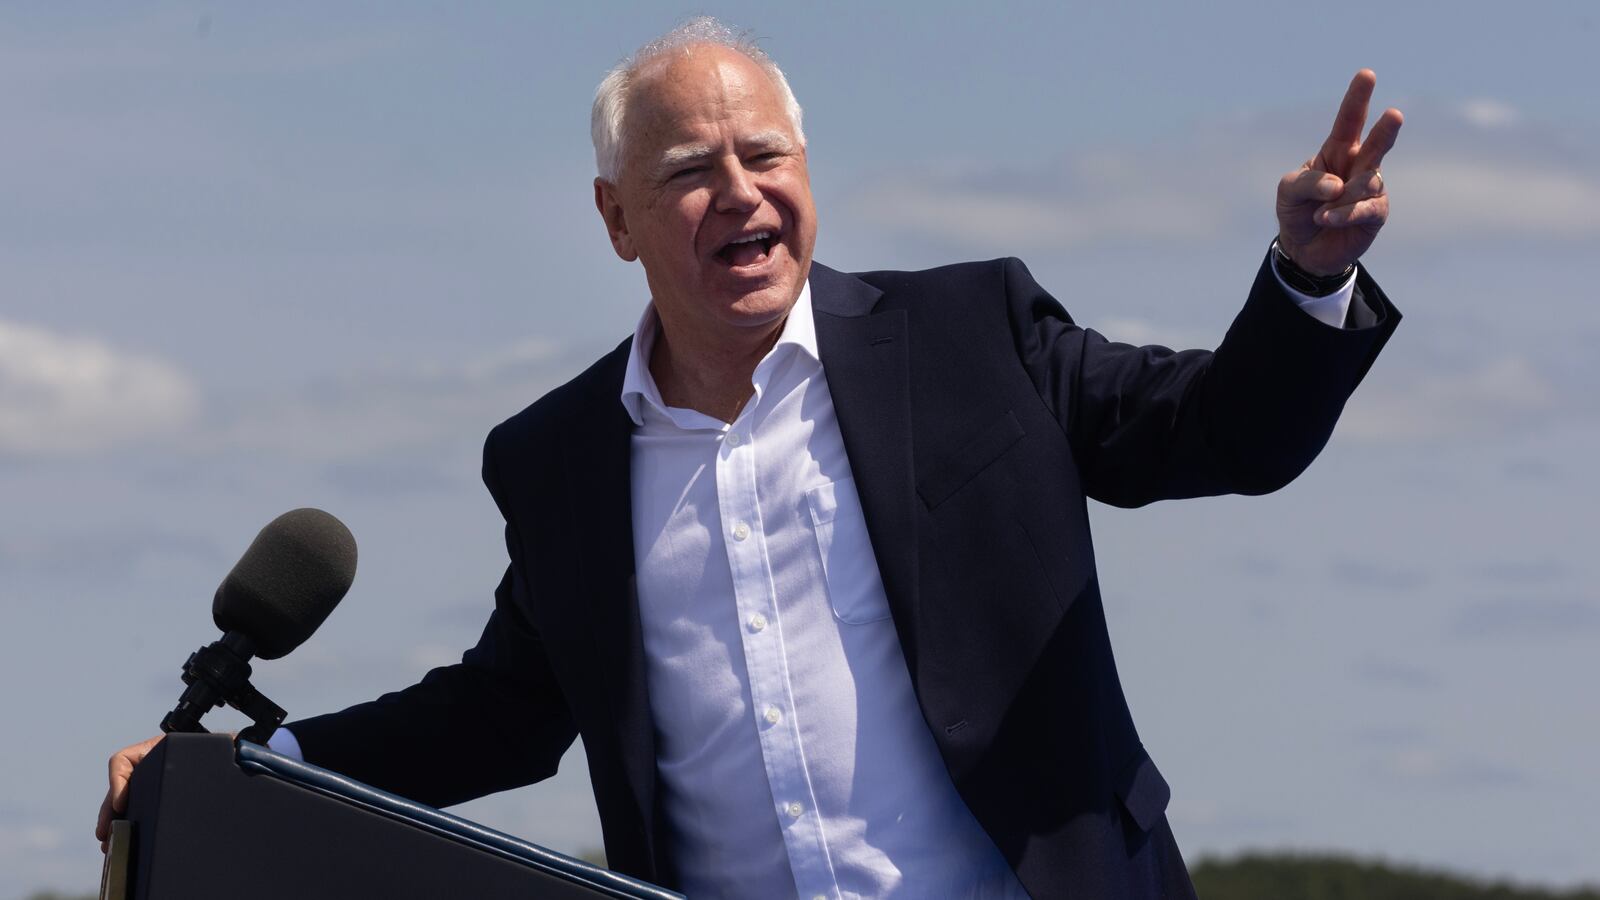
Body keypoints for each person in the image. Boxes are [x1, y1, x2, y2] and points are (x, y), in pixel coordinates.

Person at [98, 17, 1403, 899]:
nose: (740, 190)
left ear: (807, 174)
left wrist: (1307, 278)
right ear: (617, 220)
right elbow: (497, 715)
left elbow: (1222, 432)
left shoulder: (969, 336)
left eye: (764, 154)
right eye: (687, 170)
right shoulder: (558, 461)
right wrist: (245, 774)